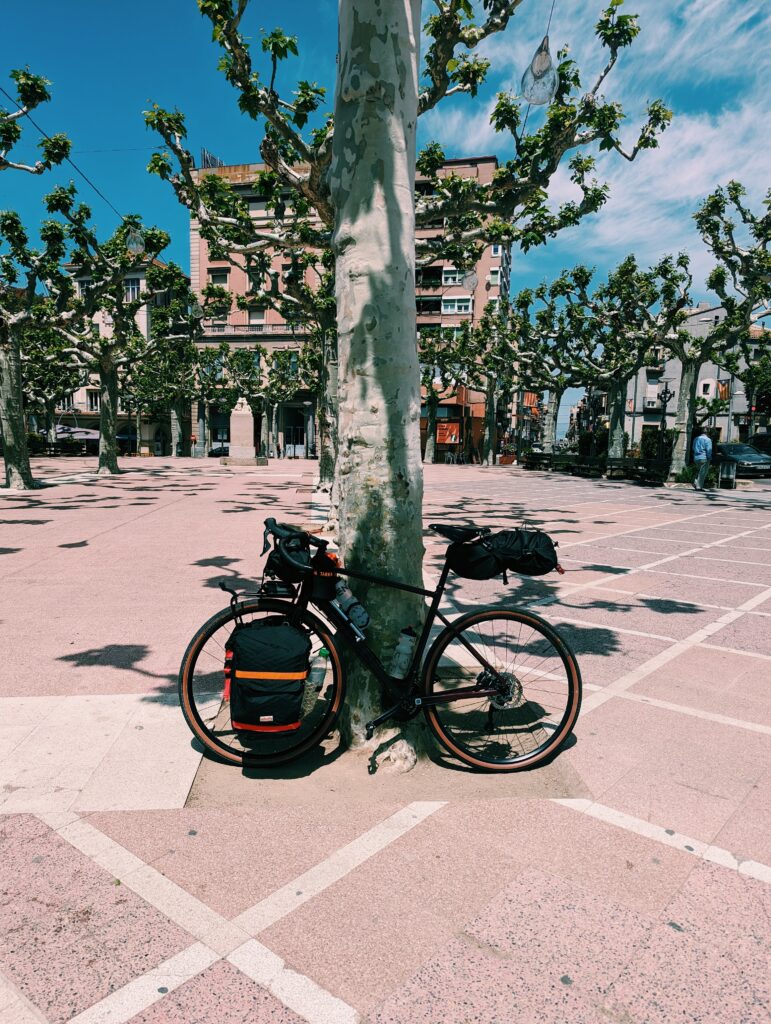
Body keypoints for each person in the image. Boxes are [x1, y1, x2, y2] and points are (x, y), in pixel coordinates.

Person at [691, 426, 713, 490]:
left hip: (696, 457)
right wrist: (709, 458)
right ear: (707, 433)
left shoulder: (696, 438)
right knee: (702, 473)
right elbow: (709, 450)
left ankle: (695, 482)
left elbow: (693, 448)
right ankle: (699, 486)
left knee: (698, 471)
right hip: (704, 457)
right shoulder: (708, 440)